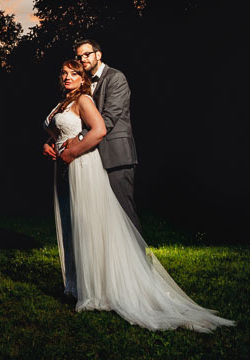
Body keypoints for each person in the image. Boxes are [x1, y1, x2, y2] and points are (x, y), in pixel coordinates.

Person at [43, 59, 233, 330]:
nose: (67, 77)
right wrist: (50, 145)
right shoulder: (61, 103)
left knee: (89, 226)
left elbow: (99, 130)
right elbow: (60, 131)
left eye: (73, 73)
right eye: (63, 73)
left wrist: (71, 153)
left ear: (82, 78)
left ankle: (96, 292)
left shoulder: (84, 100)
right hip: (63, 169)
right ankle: (77, 284)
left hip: (82, 165)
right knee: (73, 226)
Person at [54, 37, 139, 234]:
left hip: (115, 156)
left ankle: (139, 262)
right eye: (79, 56)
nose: (82, 58)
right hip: (92, 158)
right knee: (101, 217)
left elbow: (108, 119)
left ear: (98, 55)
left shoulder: (116, 78)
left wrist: (79, 140)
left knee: (124, 214)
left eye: (87, 54)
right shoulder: (82, 85)